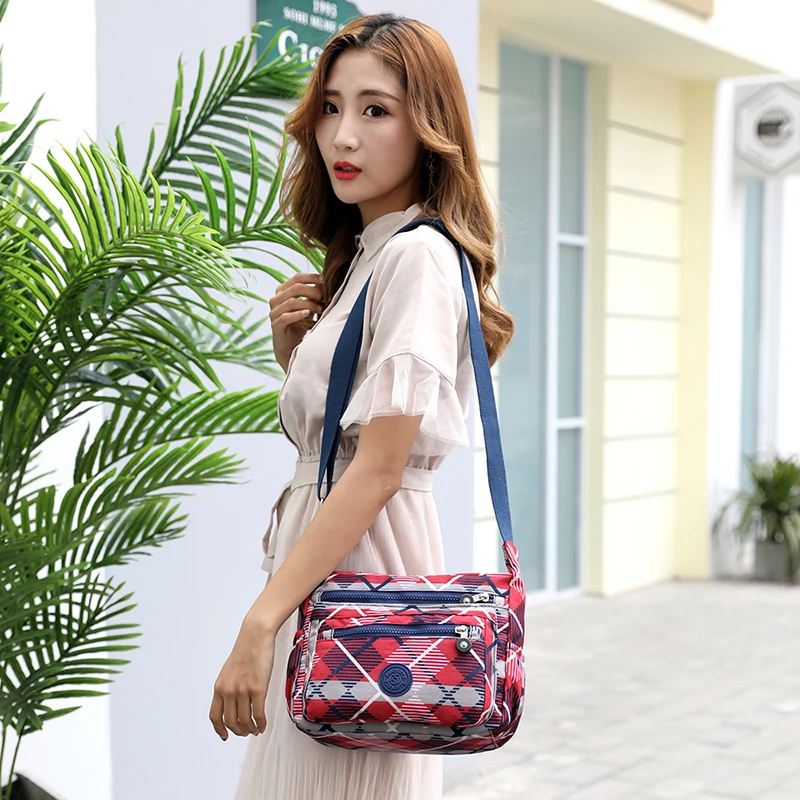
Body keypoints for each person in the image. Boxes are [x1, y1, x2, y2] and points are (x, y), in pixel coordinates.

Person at [209, 12, 514, 800]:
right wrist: (297, 355)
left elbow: (377, 469)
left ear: (428, 128)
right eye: (331, 108)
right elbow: (349, 441)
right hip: (331, 574)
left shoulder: (416, 255)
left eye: (376, 110)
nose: (342, 136)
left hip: (361, 580)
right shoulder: (370, 256)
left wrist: (261, 620)